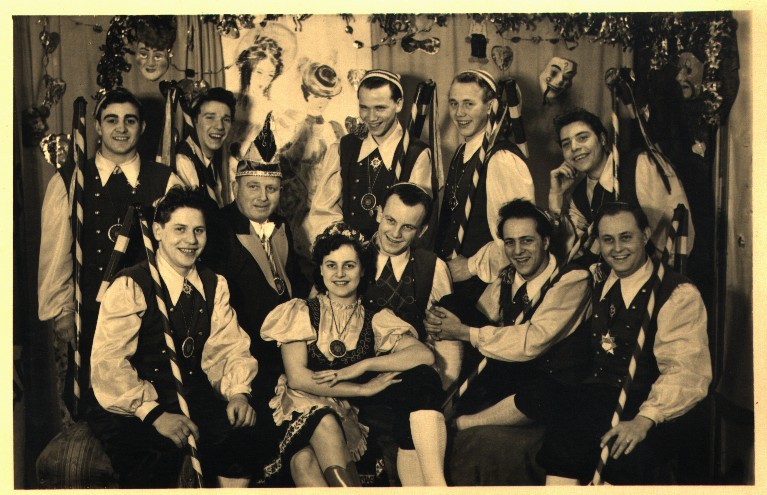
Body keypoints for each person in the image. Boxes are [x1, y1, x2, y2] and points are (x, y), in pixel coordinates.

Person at [477, 202, 710, 485]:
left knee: (623, 459)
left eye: (626, 237)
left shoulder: (677, 294)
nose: (617, 248)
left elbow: (686, 372)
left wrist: (644, 420)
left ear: (645, 235)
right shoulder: (598, 277)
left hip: (647, 403)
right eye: (608, 239)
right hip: (595, 395)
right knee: (562, 449)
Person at [87, 186, 259, 488]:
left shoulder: (214, 284)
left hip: (190, 391)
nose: (190, 240)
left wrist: (237, 393)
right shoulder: (131, 285)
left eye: (198, 231)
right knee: (154, 458)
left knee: (241, 439)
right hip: (133, 403)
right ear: (158, 231)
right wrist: (155, 415)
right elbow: (109, 365)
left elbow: (228, 348)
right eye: (180, 229)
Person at [260, 222, 448, 486]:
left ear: (362, 270)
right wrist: (362, 389)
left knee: (304, 462)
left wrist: (364, 365)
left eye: (349, 265)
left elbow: (423, 355)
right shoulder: (301, 311)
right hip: (298, 408)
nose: (340, 274)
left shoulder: (375, 319)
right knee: (323, 422)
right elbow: (298, 379)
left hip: (345, 415)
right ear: (321, 270)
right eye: (331, 265)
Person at [38, 87, 182, 421]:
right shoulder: (71, 180)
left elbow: (180, 254)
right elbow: (55, 255)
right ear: (97, 127)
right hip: (89, 314)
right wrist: (62, 311)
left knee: (154, 409)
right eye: (111, 120)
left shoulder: (165, 181)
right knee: (94, 411)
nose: (121, 128)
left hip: (149, 316)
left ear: (142, 127)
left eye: (130, 120)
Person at [201, 122, 308, 483]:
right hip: (243, 357)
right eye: (253, 187)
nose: (263, 197)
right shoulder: (217, 229)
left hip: (287, 352)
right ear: (236, 187)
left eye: (271, 188)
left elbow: (295, 285)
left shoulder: (281, 224)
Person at [424, 199, 592, 430]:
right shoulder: (507, 276)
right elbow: (480, 322)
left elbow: (531, 342)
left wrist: (463, 332)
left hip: (544, 374)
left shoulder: (572, 279)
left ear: (545, 241)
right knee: (451, 306)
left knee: (545, 392)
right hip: (509, 367)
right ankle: (444, 396)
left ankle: (463, 424)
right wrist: (440, 322)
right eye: (510, 242)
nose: (518, 251)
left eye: (527, 240)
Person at [547, 107, 695, 264]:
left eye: (582, 138)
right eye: (566, 144)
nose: (574, 147)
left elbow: (672, 236)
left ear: (602, 139)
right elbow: (571, 254)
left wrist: (660, 275)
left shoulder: (640, 165)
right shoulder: (579, 196)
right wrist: (556, 196)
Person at [435, 69, 534, 303]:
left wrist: (471, 266)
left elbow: (518, 236)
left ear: (490, 106)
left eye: (469, 104)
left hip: (485, 290)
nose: (459, 113)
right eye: (454, 103)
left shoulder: (501, 159)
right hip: (453, 283)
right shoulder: (462, 152)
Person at [306, 69, 435, 241]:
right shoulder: (343, 148)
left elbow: (415, 222)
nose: (371, 117)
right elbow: (323, 213)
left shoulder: (416, 154)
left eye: (380, 108)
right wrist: (345, 245)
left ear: (398, 104)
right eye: (364, 108)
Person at [364, 182, 462, 390]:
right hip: (354, 369)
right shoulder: (351, 256)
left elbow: (444, 336)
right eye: (391, 220)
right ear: (379, 214)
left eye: (407, 227)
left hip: (406, 374)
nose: (395, 234)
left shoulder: (433, 267)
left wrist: (443, 387)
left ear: (421, 230)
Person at [175, 87, 237, 207]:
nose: (220, 126)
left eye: (226, 119)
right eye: (210, 117)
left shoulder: (216, 162)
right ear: (194, 120)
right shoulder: (183, 161)